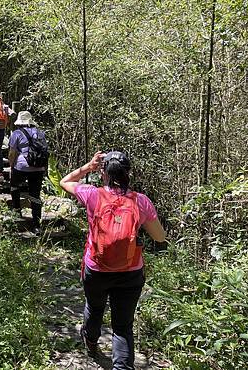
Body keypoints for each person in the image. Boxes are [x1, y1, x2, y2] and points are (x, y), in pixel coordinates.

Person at [60, 151, 166, 370]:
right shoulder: (141, 201)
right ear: (128, 173)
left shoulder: (91, 194)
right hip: (130, 272)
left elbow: (65, 181)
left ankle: (90, 342)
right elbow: (160, 237)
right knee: (122, 326)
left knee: (95, 307)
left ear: (103, 173)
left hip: (96, 269)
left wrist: (88, 167)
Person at [8, 111, 47, 231]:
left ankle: (16, 211)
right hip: (38, 167)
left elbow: (12, 153)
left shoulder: (16, 133)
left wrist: (11, 165)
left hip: (22, 166)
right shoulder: (40, 133)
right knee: (35, 194)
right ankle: (36, 225)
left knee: (14, 186)